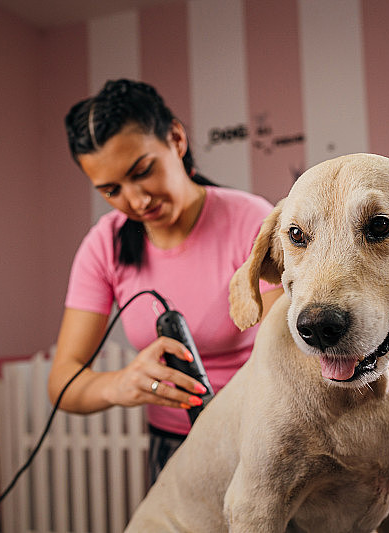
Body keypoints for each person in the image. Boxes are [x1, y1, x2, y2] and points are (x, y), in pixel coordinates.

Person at [48, 79, 283, 483]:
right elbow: (63, 384)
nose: (136, 201)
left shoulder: (250, 221)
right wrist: (118, 385)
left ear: (176, 139)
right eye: (111, 190)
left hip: (266, 438)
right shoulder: (104, 245)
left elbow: (293, 348)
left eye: (143, 171)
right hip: (173, 448)